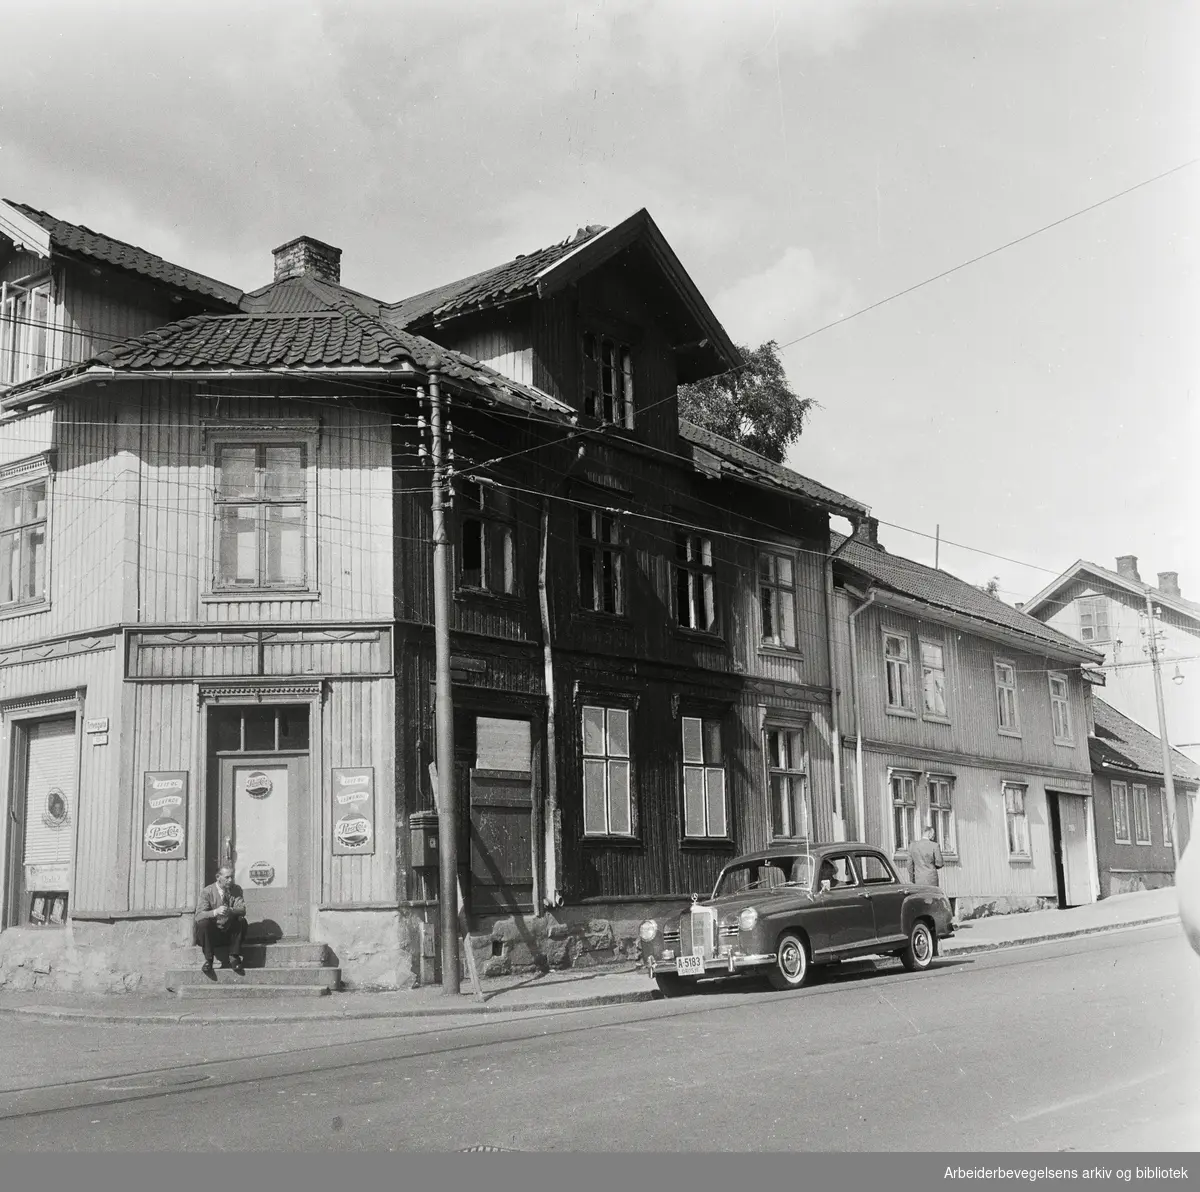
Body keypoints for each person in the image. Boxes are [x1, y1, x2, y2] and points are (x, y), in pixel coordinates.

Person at [194, 865, 247, 977]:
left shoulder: (236, 889)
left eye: (232, 877)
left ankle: (234, 957)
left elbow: (242, 909)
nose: (230, 880)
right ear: (218, 877)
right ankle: (208, 960)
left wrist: (231, 911)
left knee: (241, 921)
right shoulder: (207, 891)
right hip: (213, 935)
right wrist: (215, 912)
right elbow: (198, 915)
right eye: (227, 877)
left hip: (229, 934)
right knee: (203, 923)